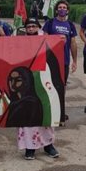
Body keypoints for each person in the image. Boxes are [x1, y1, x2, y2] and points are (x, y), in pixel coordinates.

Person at [17, 18, 60, 160]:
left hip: (43, 80)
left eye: (33, 26)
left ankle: (48, 145)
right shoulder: (19, 41)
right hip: (27, 82)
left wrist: (61, 39)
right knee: (28, 115)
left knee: (45, 113)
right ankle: (30, 148)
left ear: (38, 27)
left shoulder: (46, 40)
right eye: (28, 26)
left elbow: (55, 54)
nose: (30, 28)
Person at [42, 0, 77, 85]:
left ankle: (62, 99)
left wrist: (75, 61)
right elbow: (44, 40)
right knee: (51, 85)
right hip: (51, 59)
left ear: (67, 11)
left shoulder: (70, 25)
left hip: (65, 60)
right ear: (56, 10)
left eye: (64, 8)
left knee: (63, 84)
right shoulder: (50, 23)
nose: (62, 9)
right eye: (60, 7)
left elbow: (73, 44)